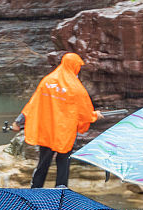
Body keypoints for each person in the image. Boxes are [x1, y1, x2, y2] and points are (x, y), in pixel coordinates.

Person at [14, 53, 101, 189]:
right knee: (63, 164)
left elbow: (33, 104)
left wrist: (19, 121)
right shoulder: (76, 87)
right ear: (74, 66)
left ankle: (35, 190)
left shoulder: (48, 81)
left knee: (43, 162)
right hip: (65, 133)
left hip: (47, 131)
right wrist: (95, 116)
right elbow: (84, 112)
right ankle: (61, 193)